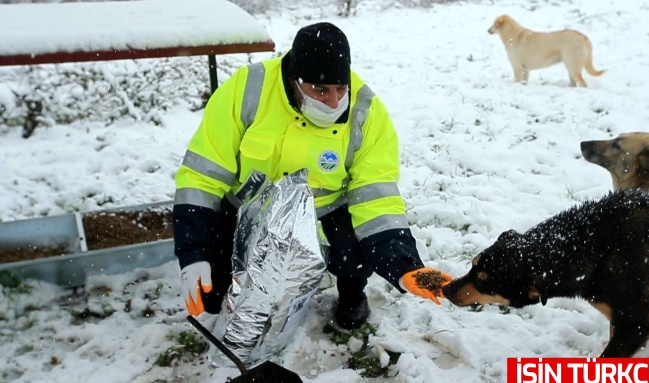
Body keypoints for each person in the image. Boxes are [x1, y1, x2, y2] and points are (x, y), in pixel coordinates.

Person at [173, 22, 452, 330]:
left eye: (340, 89)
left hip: (325, 210)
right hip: (249, 206)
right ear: (294, 79)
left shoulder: (366, 111)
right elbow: (202, 176)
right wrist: (194, 251)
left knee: (354, 256)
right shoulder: (246, 90)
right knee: (211, 295)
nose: (334, 102)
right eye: (321, 91)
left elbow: (376, 197)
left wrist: (405, 265)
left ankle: (352, 294)